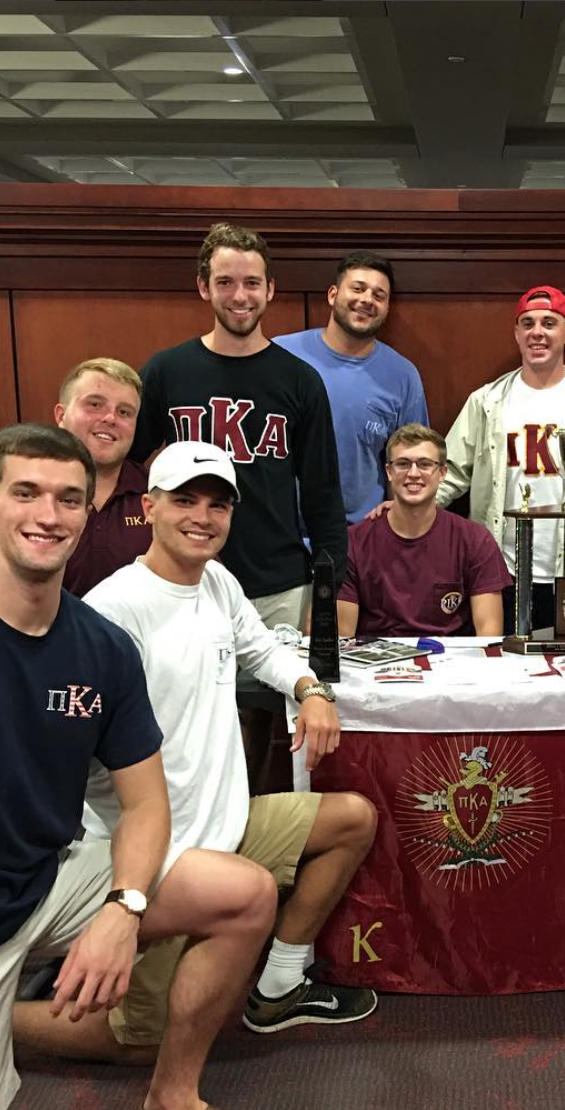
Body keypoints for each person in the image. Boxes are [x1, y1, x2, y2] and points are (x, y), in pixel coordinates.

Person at [0, 424, 292, 1110]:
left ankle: (171, 1104)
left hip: (49, 877)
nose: (49, 515)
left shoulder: (99, 645)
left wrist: (124, 907)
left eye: (69, 499)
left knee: (243, 894)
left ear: (90, 513)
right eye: (27, 493)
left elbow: (145, 806)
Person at [11, 440, 377, 1066]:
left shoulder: (218, 582)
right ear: (149, 507)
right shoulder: (112, 612)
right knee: (139, 1042)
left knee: (352, 819)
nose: (202, 518)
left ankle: (278, 987)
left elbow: (261, 647)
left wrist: (310, 689)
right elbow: (74, 757)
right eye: (185, 500)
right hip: (158, 858)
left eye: (217, 504)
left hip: (227, 827)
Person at [131, 222, 348, 786]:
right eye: (225, 282)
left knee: (268, 727)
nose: (240, 295)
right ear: (204, 287)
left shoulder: (299, 380)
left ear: (270, 289)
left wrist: (324, 597)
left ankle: (251, 828)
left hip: (278, 583)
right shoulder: (167, 371)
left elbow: (323, 496)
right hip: (184, 581)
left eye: (252, 283)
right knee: (183, 715)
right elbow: (130, 469)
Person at [437, 284, 565, 633]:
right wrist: (409, 513)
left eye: (549, 323)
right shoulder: (487, 401)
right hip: (500, 566)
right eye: (528, 323)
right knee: (500, 658)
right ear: (516, 333)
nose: (537, 332)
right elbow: (450, 472)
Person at [0, 357, 151, 595]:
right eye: (95, 404)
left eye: (124, 412)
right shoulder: (10, 491)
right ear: (61, 415)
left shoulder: (157, 494)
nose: (110, 418)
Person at [274, 250, 428, 524]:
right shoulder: (280, 355)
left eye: (379, 295)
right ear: (333, 295)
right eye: (358, 288)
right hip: (279, 530)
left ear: (387, 308)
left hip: (360, 535)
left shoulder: (403, 376)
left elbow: (411, 461)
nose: (367, 299)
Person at [338, 425, 509, 638]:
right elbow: (342, 638)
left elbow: (489, 636)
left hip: (452, 657)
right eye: (402, 464)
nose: (413, 473)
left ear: (442, 472)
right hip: (375, 657)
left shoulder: (476, 540)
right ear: (389, 471)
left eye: (425, 464)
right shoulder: (353, 543)